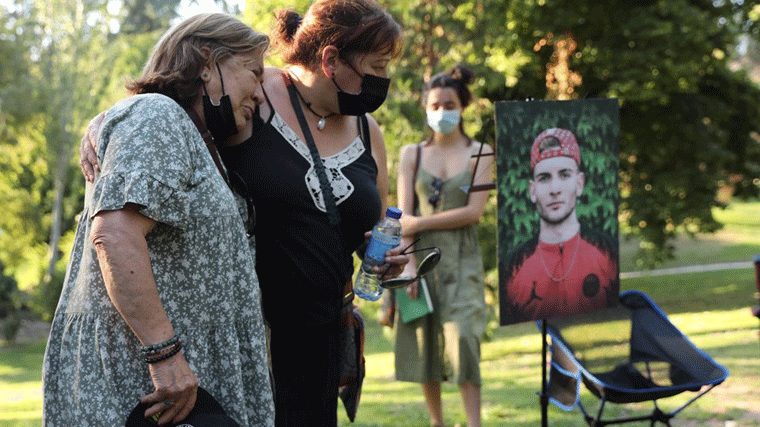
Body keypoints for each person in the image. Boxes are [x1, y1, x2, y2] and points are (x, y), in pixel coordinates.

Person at [79, 1, 408, 426]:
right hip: (250, 337)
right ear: (331, 59)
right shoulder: (255, 93)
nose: (384, 81)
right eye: (377, 67)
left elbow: (370, 228)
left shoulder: (368, 131)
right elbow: (168, 113)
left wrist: (380, 258)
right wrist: (105, 120)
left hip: (323, 334)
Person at [43, 13, 274, 426]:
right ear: (206, 63)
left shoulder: (194, 137)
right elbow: (115, 235)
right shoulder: (156, 116)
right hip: (152, 387)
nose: (260, 94)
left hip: (178, 384)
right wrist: (164, 354)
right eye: (254, 73)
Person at [394, 64, 493, 427]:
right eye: (434, 105)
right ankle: (436, 422)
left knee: (464, 339)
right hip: (417, 261)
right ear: (425, 108)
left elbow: (474, 212)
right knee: (425, 346)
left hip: (463, 260)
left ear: (462, 106)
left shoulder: (481, 152)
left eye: (448, 104)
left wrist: (419, 222)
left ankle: (474, 423)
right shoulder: (411, 154)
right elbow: (402, 216)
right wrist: (405, 268)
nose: (441, 112)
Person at [500, 127, 619, 324]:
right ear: (532, 190)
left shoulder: (609, 254)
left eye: (564, 175)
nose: (555, 189)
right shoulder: (512, 268)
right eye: (544, 178)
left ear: (579, 183)